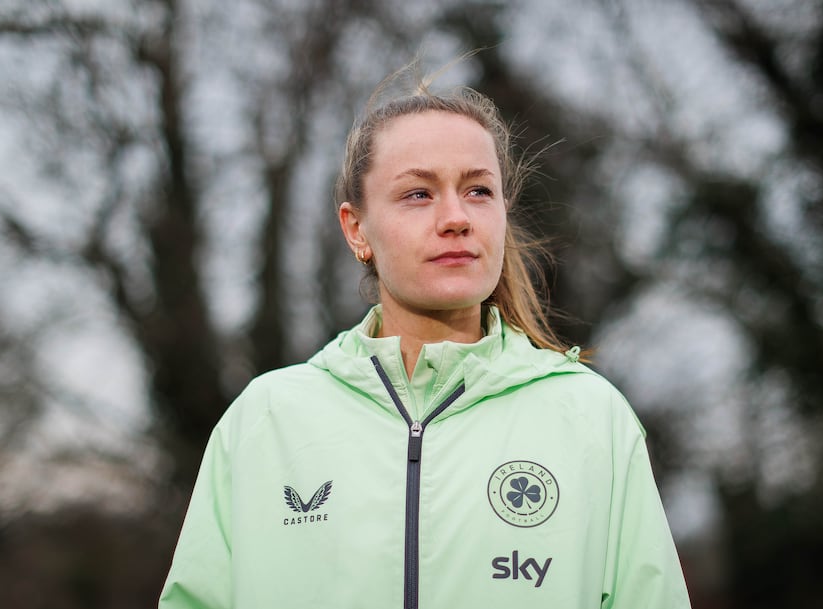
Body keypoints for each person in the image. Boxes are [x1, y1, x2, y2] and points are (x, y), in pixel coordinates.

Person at [159, 67, 691, 609]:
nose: (456, 217)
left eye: (478, 190)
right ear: (356, 229)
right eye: (418, 193)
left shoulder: (591, 417)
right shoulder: (265, 420)